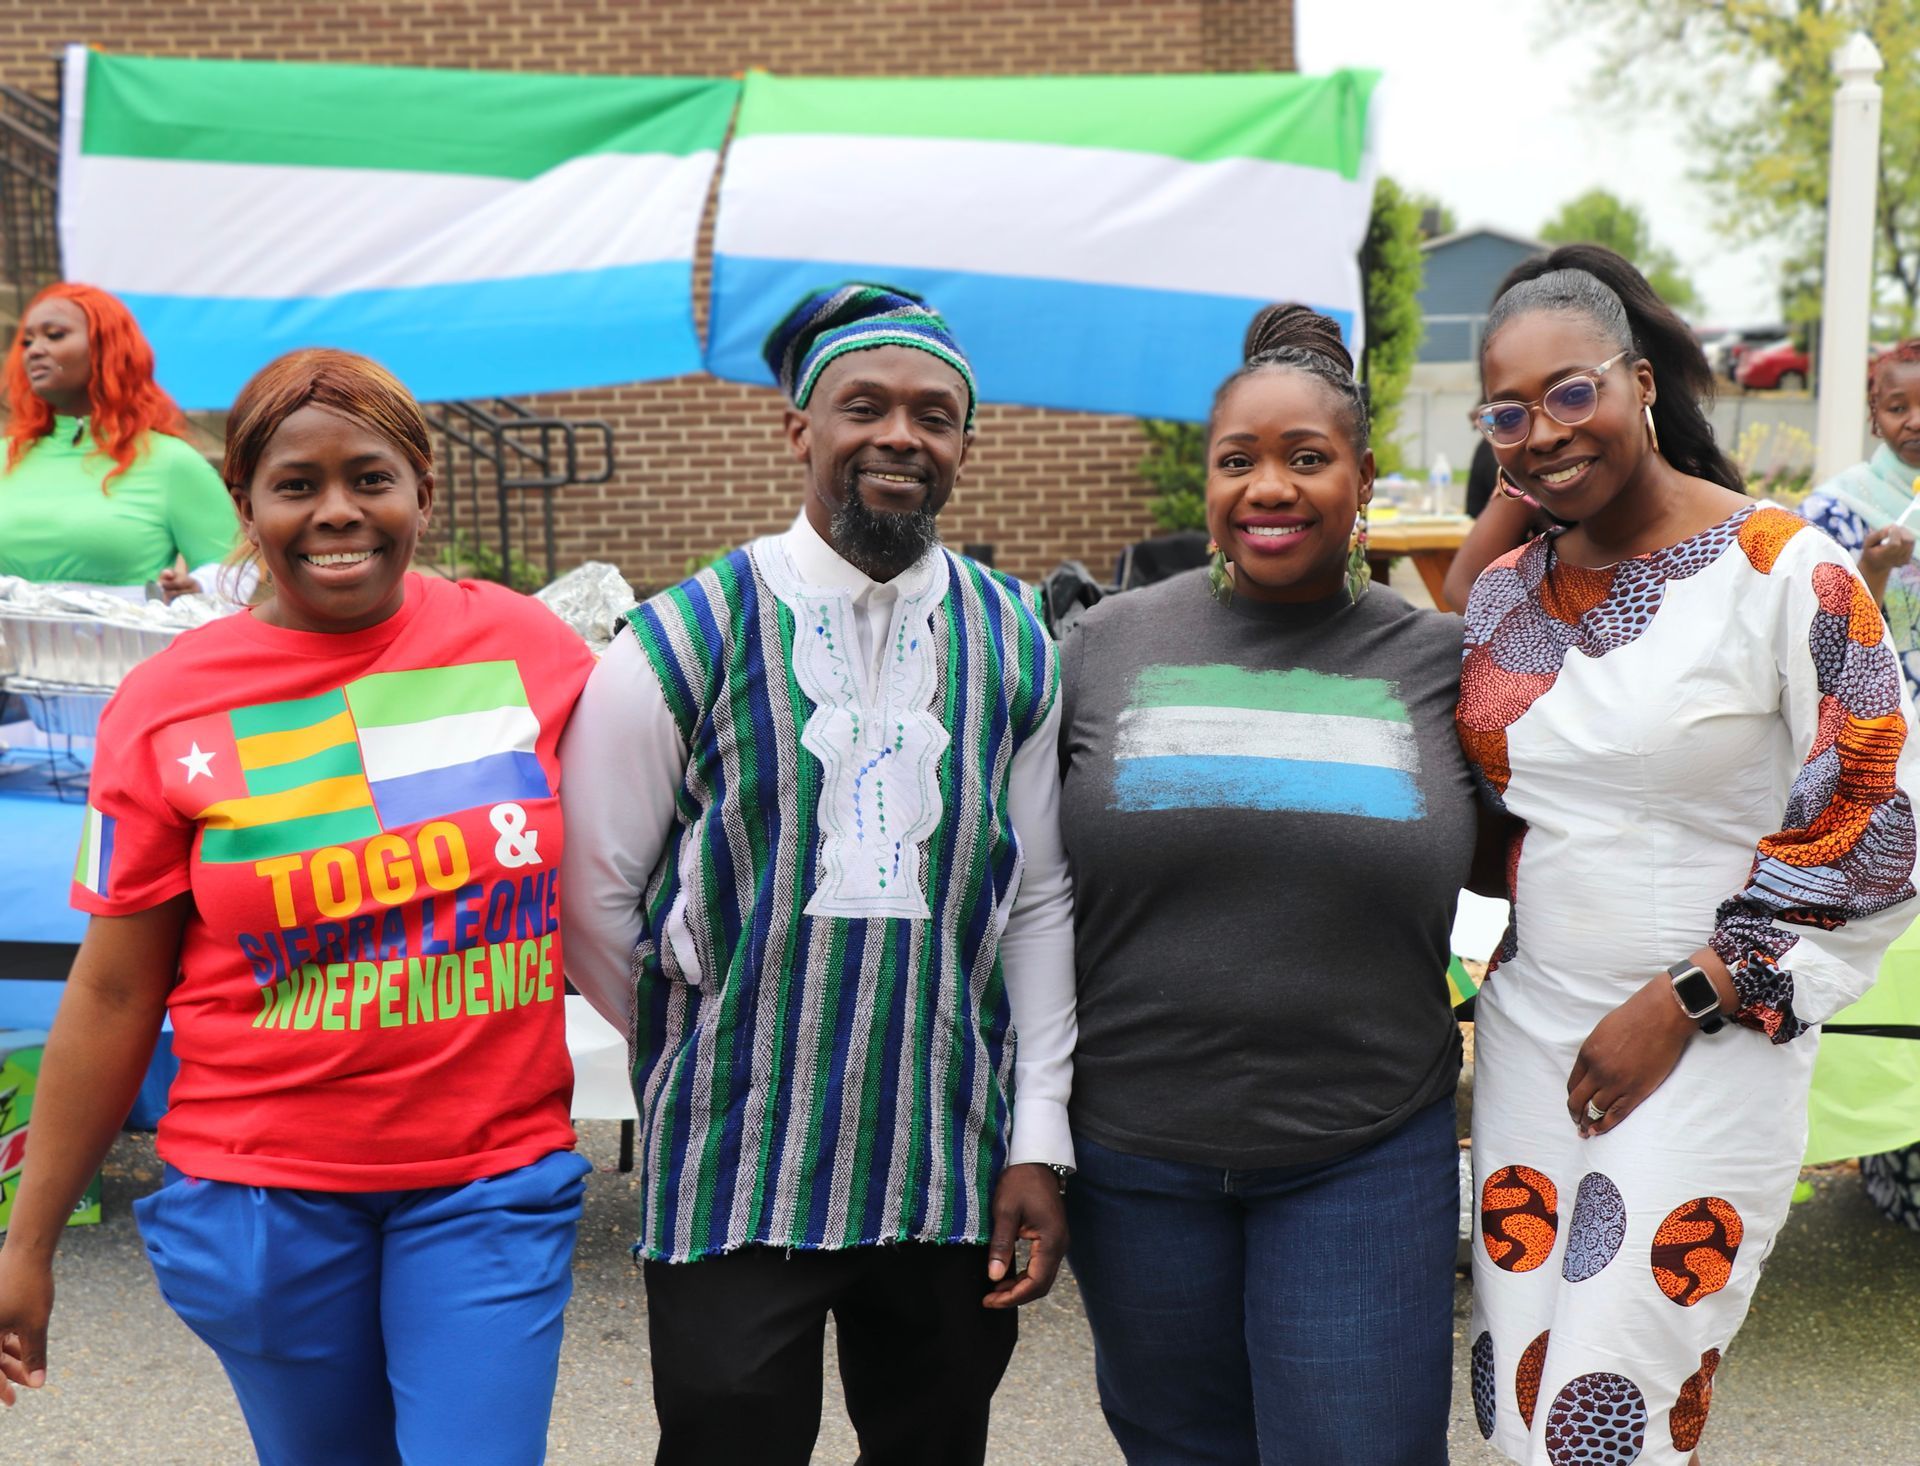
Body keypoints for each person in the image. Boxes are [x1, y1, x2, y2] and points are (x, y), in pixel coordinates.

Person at [0, 348, 596, 1465]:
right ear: (244, 504)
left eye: (370, 477)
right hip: (262, 1198)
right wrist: (25, 1241)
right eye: (296, 484)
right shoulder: (165, 704)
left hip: (488, 1179)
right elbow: (117, 985)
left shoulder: (530, 651)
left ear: (424, 487)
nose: (337, 512)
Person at [559, 283, 1075, 1466]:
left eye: (934, 415)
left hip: (948, 1152)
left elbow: (1038, 897)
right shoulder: (683, 635)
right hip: (739, 1163)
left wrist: (1037, 1135)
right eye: (865, 406)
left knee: (934, 1442)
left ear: (962, 445)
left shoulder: (1015, 638)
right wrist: (715, 1042)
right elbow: (594, 898)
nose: (901, 435)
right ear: (801, 426)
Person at [1456, 244, 1918, 1465]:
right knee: (1521, 1393)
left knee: (1616, 1409)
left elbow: (1872, 821)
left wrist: (1687, 993)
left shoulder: (1786, 571)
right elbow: (1497, 817)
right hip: (1530, 1037)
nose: (1544, 430)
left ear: (1642, 381)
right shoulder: (1506, 593)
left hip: (1707, 1035)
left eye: (1572, 392)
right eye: (1510, 411)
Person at [1055, 305, 1477, 1465]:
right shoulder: (1102, 646)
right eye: (1237, 460)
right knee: (1182, 1448)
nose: (1269, 488)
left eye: (1306, 457)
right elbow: (1029, 895)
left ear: (1363, 476)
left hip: (1365, 1147)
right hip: (1135, 1156)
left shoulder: (1438, 662)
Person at [1796, 337, 1920, 1227]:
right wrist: (1871, 571)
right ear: (1872, 410)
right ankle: (1889, 1166)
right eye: (1895, 406)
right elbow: (1814, 637)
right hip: (1887, 750)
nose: (1912, 423)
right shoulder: (1834, 508)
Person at [0, 282, 239, 599]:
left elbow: (234, 569)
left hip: (128, 648)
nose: (34, 350)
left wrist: (196, 589)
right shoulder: (7, 455)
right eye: (27, 341)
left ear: (106, 346)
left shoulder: (170, 460)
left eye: (54, 335)